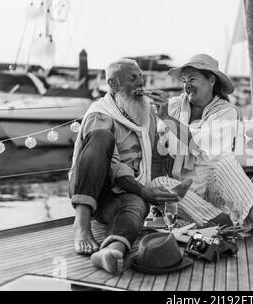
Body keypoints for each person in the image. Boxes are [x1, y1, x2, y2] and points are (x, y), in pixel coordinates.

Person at [147, 54, 253, 252]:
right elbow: (153, 140)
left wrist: (167, 119)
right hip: (187, 194)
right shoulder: (173, 106)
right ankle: (231, 223)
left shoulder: (227, 111)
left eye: (192, 79)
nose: (186, 85)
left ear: (211, 80)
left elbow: (198, 144)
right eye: (184, 80)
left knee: (226, 163)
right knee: (158, 184)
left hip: (216, 190)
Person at [68, 58, 191, 274]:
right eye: (133, 78)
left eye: (142, 78)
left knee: (137, 205)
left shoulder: (147, 116)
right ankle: (81, 225)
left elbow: (156, 156)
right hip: (94, 188)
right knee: (102, 137)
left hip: (124, 192)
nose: (141, 84)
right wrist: (144, 190)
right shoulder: (101, 114)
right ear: (113, 85)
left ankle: (111, 250)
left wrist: (161, 193)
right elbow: (113, 168)